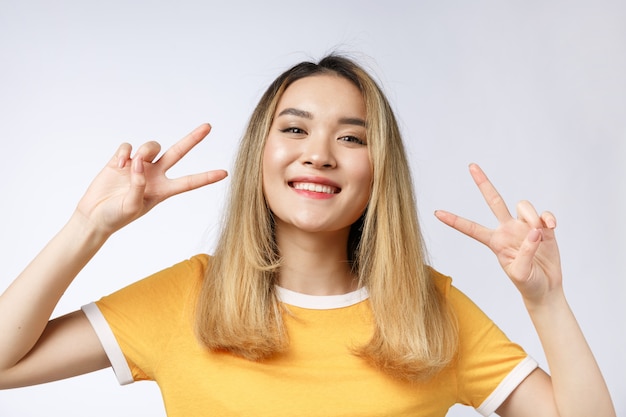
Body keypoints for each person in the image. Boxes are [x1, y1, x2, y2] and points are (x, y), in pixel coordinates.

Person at [0, 55, 616, 417]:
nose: (319, 155)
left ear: (380, 172)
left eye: (351, 137)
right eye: (295, 129)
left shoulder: (429, 311)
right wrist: (88, 228)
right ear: (259, 155)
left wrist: (545, 299)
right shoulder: (189, 297)